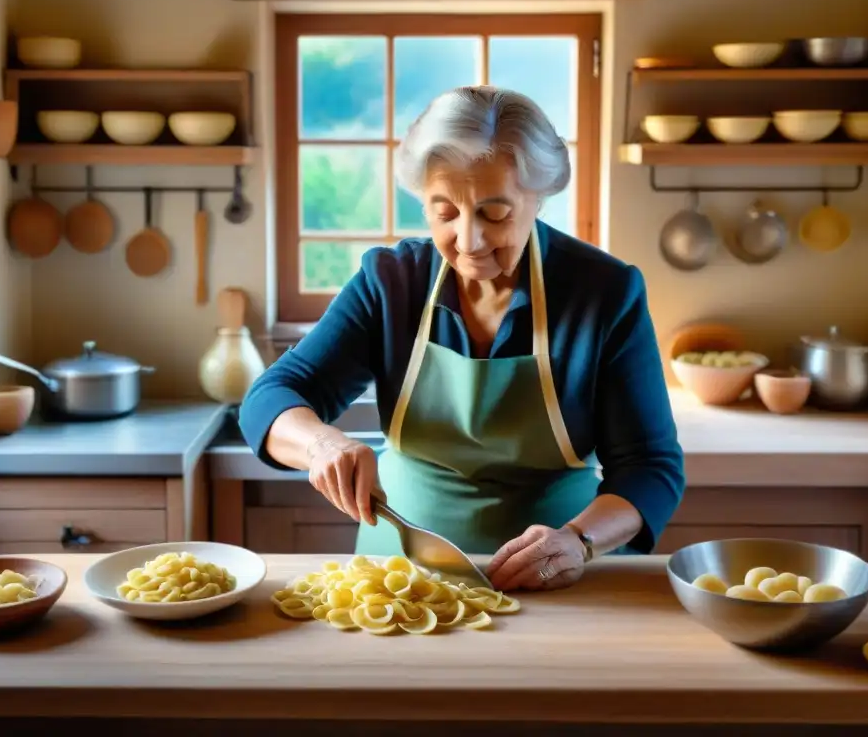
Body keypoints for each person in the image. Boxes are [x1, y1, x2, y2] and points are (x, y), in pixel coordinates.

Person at [240, 85, 685, 592]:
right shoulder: (392, 282)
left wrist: (578, 541)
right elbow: (270, 398)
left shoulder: (603, 293)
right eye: (444, 212)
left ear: (538, 197)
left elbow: (650, 469)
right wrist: (320, 445)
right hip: (397, 581)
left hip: (556, 579)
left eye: (495, 214)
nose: (468, 242)